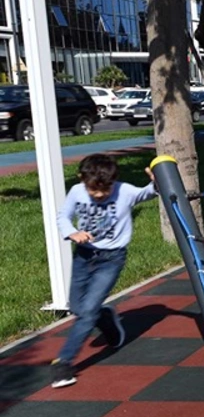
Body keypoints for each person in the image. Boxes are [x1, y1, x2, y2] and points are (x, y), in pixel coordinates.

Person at [51, 154, 158, 388]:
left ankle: (65, 362)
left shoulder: (125, 191)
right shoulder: (77, 191)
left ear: (114, 181)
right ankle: (107, 318)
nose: (99, 195)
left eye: (105, 190)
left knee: (87, 311)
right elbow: (63, 216)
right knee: (77, 308)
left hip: (111, 259)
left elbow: (148, 193)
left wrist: (156, 180)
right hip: (84, 256)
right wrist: (71, 232)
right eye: (93, 190)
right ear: (82, 179)